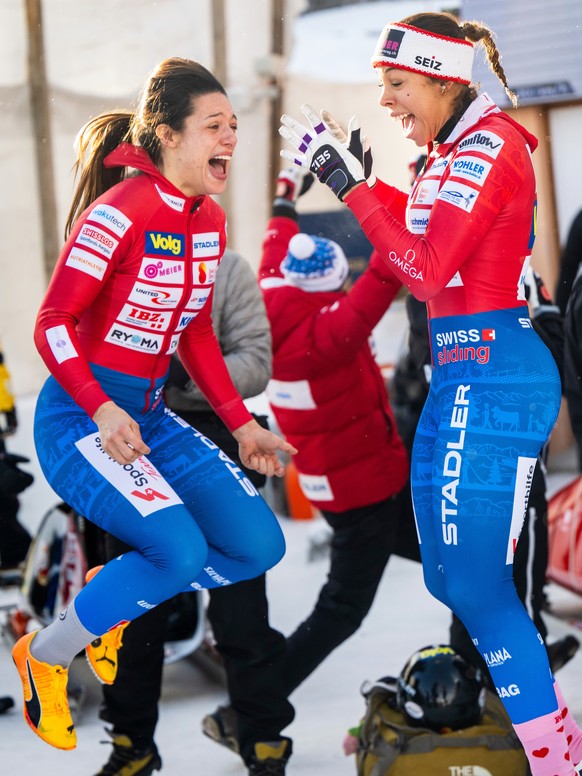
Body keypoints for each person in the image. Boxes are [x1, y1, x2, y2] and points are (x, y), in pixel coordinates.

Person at [279, 11, 582, 775]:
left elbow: (423, 268)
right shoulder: (450, 150)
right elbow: (427, 231)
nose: (386, 100)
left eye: (397, 82)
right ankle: (549, 743)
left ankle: (558, 758)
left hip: (496, 375)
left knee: (479, 587)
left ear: (446, 79)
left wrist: (350, 188)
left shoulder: (493, 145)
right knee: (451, 579)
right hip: (459, 379)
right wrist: (370, 179)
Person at [11, 57, 296, 756]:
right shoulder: (119, 211)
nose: (229, 137)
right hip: (80, 422)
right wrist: (102, 409)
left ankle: (114, 596)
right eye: (213, 126)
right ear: (167, 136)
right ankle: (44, 655)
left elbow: (193, 329)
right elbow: (51, 323)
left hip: (152, 419)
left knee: (260, 545)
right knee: (176, 552)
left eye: (233, 125)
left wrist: (241, 423)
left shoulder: (210, 221)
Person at [203, 164, 418, 760]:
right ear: (326, 288)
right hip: (365, 488)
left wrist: (284, 192)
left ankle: (501, 640)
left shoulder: (273, 293)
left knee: (458, 567)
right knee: (341, 611)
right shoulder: (334, 331)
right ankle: (245, 709)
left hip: (337, 481)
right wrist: (401, 202)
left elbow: (277, 236)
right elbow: (387, 268)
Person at [93, 249, 294, 776]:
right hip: (138, 453)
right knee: (134, 616)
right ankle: (131, 745)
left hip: (215, 446)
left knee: (242, 616)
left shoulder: (226, 268)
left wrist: (183, 373)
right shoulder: (112, 261)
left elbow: (256, 359)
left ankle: (264, 739)